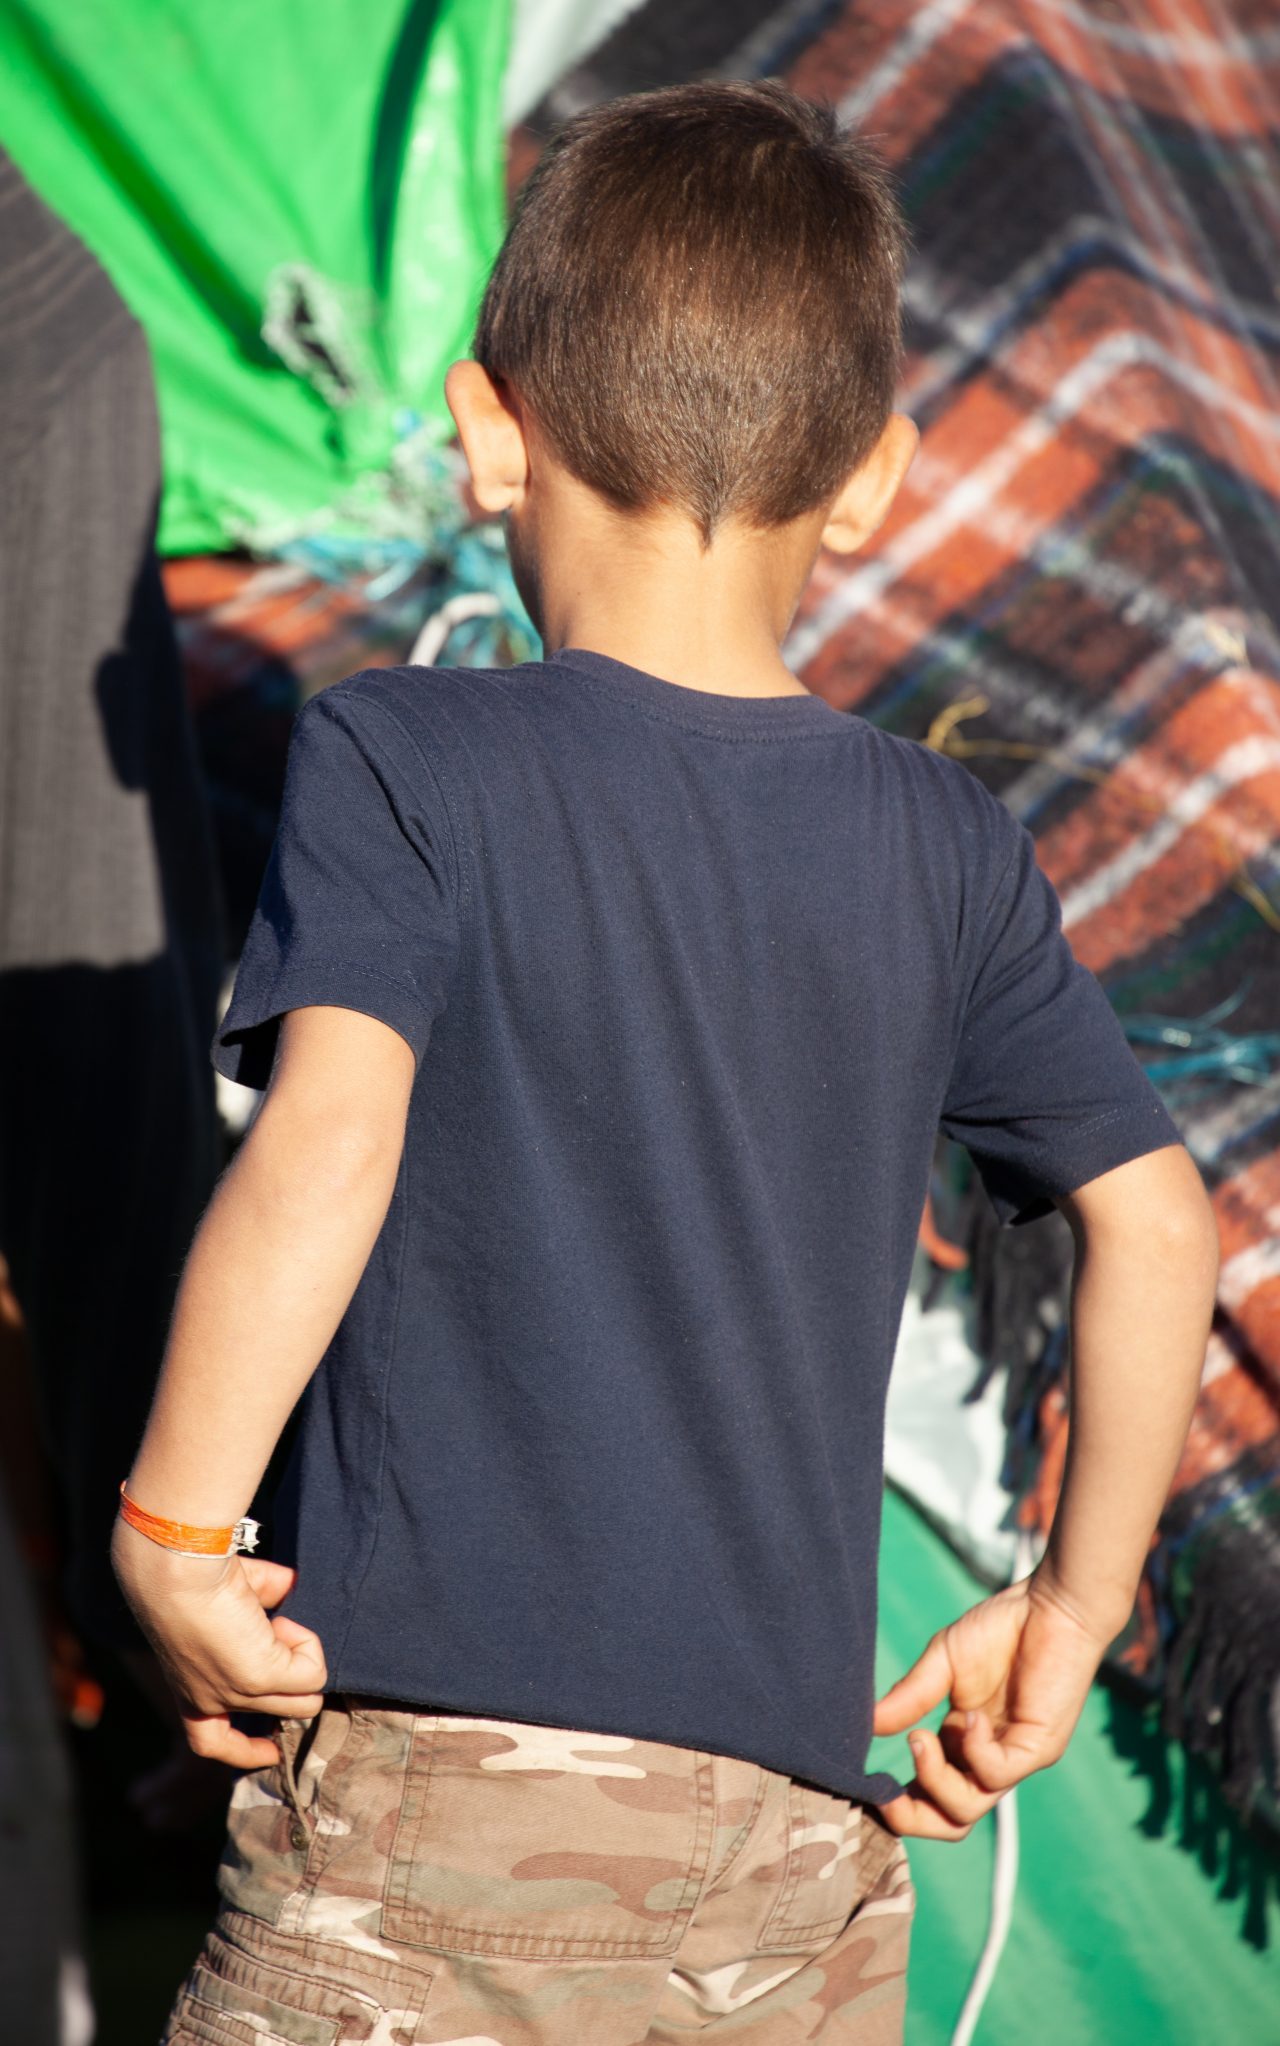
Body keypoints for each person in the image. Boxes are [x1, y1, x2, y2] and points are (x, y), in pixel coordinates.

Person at [113, 81, 1218, 2044]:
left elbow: (328, 1145)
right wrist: (1072, 1607)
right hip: (787, 1881)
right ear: (871, 478)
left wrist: (174, 1528)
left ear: (483, 434)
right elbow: (1151, 1226)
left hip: (434, 1832)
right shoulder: (944, 842)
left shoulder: (402, 755)